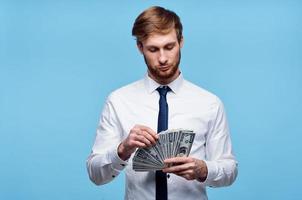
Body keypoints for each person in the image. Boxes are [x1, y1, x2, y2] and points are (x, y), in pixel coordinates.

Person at [87, 6, 238, 200]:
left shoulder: (210, 103)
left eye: (169, 47)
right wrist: (122, 150)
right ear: (140, 47)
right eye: (153, 49)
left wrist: (203, 169)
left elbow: (230, 170)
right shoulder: (118, 101)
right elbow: (95, 174)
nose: (163, 58)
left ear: (181, 42)